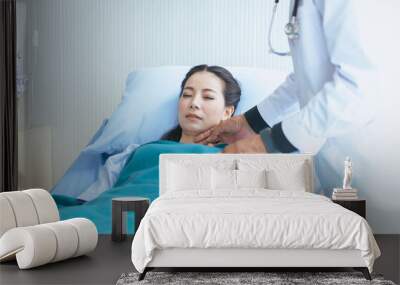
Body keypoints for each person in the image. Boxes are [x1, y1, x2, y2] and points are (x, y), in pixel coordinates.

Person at [194, 0, 376, 154]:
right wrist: (248, 122)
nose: (194, 103)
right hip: (334, 160)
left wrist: (268, 143)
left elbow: (360, 88)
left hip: (370, 161)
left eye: (209, 96)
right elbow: (308, 76)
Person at [162, 64, 241, 142]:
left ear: (226, 113)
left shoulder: (234, 153)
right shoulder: (153, 149)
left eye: (208, 97)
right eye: (187, 95)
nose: (194, 103)